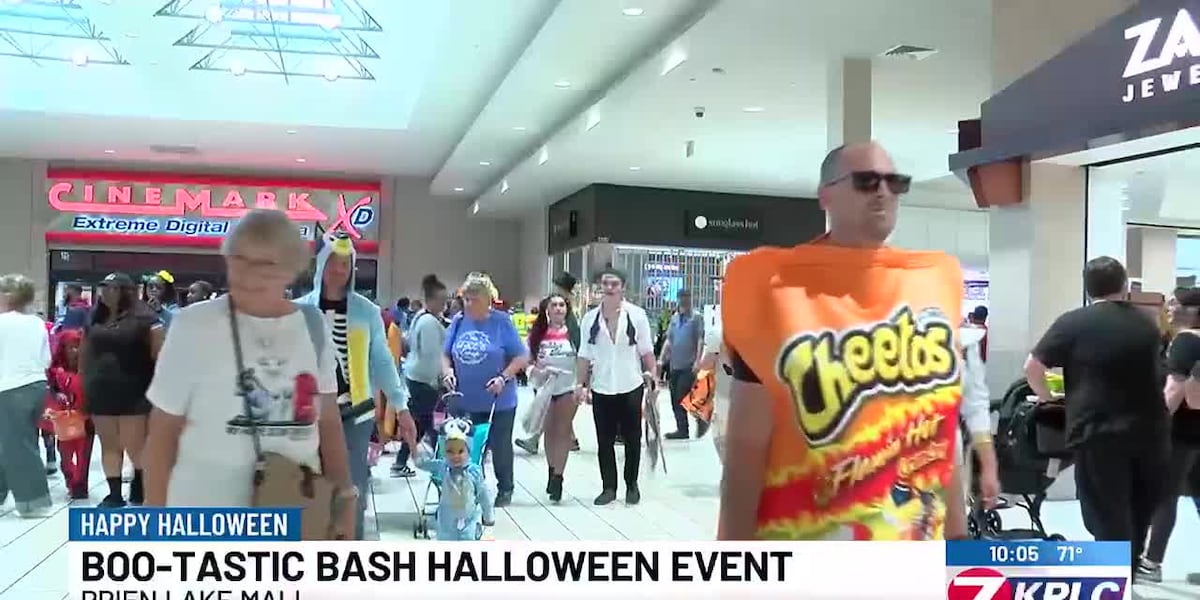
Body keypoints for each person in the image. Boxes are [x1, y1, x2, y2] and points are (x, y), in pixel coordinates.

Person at [718, 142, 968, 540]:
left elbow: (944, 427)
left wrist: (959, 541)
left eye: (894, 182)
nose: (883, 191)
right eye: (866, 181)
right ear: (825, 196)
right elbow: (746, 450)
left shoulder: (934, 286)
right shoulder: (774, 290)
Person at [141, 209, 357, 539]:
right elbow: (162, 432)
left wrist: (344, 497)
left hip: (292, 508)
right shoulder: (193, 325)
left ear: (290, 270)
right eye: (240, 259)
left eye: (266, 264)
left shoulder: (313, 327)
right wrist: (154, 522)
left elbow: (328, 422)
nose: (248, 274)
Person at [1024, 256, 1169, 573]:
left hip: (1097, 433)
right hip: (1150, 432)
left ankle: (1112, 581)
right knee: (1139, 510)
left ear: (1088, 289)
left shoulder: (1073, 322)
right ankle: (1126, 578)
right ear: (1125, 285)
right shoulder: (1147, 324)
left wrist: (1051, 400)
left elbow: (1033, 368)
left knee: (1106, 514)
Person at [295, 232, 416, 539]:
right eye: (334, 262)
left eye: (346, 263)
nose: (340, 269)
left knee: (353, 491)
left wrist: (401, 406)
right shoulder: (298, 310)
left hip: (354, 415)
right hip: (307, 417)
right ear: (320, 264)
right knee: (307, 488)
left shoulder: (366, 311)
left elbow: (383, 361)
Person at [442, 273, 528, 508]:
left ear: (487, 300)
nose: (469, 304)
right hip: (465, 400)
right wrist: (447, 372)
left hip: (497, 400)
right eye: (466, 299)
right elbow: (446, 354)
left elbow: (521, 356)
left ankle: (505, 488)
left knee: (499, 445)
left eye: (474, 299)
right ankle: (472, 487)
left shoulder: (501, 322)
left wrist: (504, 377)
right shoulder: (459, 321)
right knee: (468, 447)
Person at [575, 268, 656, 506]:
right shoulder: (590, 319)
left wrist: (653, 378)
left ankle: (632, 485)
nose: (609, 288)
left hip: (631, 384)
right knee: (604, 440)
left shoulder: (636, 315)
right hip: (602, 387)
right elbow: (583, 356)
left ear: (623, 288)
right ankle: (608, 487)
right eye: (605, 284)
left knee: (633, 438)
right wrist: (580, 385)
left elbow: (647, 351)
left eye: (614, 284)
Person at [83, 272, 164, 508]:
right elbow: (85, 354)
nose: (106, 292)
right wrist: (82, 383)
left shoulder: (146, 319)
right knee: (109, 444)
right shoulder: (94, 318)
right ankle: (114, 494)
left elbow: (159, 357)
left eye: (113, 287)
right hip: (100, 391)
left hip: (135, 391)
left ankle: (139, 488)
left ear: (126, 291)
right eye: (103, 287)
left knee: (135, 445)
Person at [1137, 287, 1200, 583]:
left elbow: (1174, 392)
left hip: (1180, 433)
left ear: (1194, 310)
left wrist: (1152, 425)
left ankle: (1151, 563)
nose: (1170, 306)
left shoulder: (1186, 340)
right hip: (1195, 431)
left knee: (1165, 495)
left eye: (1177, 302)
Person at [0, 274, 53, 517]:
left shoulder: (2, 323)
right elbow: (46, 359)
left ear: (8, 296)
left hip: (10, 388)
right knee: (12, 442)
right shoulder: (36, 323)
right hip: (36, 386)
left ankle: (34, 502)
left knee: (18, 445)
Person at [515, 272, 581, 455]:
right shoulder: (564, 315)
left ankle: (537, 439)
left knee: (548, 407)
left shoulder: (569, 320)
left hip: (561, 375)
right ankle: (569, 438)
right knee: (550, 408)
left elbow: (576, 345)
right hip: (550, 373)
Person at [392, 274, 449, 478]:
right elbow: (433, 357)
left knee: (422, 423)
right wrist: (440, 381)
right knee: (435, 424)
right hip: (425, 380)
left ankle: (401, 462)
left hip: (415, 376)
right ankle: (442, 466)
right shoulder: (430, 324)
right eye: (441, 301)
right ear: (431, 300)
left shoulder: (421, 317)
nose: (444, 304)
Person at [526, 293, 579, 502]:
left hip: (568, 386)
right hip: (545, 388)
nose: (558, 308)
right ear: (547, 310)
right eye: (554, 305)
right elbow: (528, 362)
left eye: (561, 305)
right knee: (549, 430)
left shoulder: (574, 334)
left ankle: (559, 477)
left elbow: (584, 359)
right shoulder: (538, 334)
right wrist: (538, 372)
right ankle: (551, 469)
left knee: (563, 431)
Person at [46, 329, 94, 499]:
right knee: (66, 456)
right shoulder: (56, 371)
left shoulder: (89, 369)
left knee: (84, 455)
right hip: (64, 421)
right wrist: (56, 395)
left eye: (77, 347)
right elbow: (51, 390)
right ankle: (71, 479)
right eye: (70, 348)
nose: (75, 351)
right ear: (63, 349)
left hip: (86, 418)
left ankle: (80, 486)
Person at [661, 289, 707, 440]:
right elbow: (669, 340)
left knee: (682, 395)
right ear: (678, 299)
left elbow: (700, 340)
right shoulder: (674, 318)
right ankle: (682, 430)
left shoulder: (696, 318)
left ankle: (699, 418)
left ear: (691, 299)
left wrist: (698, 361)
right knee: (674, 397)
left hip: (689, 365)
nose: (684, 301)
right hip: (675, 365)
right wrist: (662, 358)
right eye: (682, 298)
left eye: (687, 298)